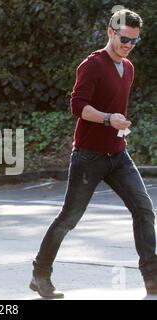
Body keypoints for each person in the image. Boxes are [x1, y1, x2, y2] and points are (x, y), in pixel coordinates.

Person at [29, 9, 157, 298]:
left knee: (144, 209)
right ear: (111, 32)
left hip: (118, 154)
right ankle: (40, 273)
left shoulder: (129, 68)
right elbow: (78, 107)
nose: (128, 45)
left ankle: (152, 277)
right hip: (88, 157)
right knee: (69, 218)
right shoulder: (92, 65)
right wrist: (109, 118)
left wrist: (119, 123)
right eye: (124, 38)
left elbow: (114, 106)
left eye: (134, 41)